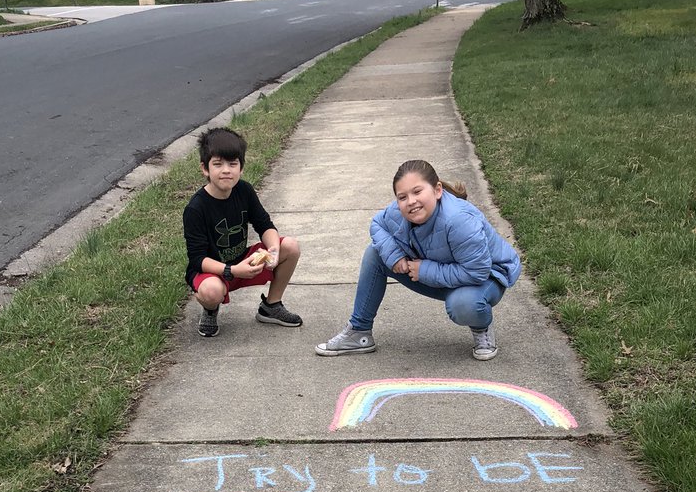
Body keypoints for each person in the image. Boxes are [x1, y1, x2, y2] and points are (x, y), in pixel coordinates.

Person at [316, 159, 521, 361]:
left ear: (437, 190)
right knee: (376, 254)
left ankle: (481, 326)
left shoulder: (459, 220)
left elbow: (477, 272)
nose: (411, 201)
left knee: (463, 304)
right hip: (441, 269)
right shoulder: (399, 211)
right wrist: (394, 255)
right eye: (402, 197)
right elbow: (377, 224)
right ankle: (359, 331)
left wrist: (424, 270)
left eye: (417, 191)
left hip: (486, 277)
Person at [183, 127, 303, 339]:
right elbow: (197, 258)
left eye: (233, 163)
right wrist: (232, 270)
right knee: (211, 291)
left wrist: (273, 249)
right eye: (218, 164)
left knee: (290, 246)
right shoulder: (196, 208)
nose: (226, 170)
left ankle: (271, 306)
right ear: (205, 168)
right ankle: (210, 310)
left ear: (241, 167)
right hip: (213, 269)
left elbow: (264, 225)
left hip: (243, 261)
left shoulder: (244, 190)